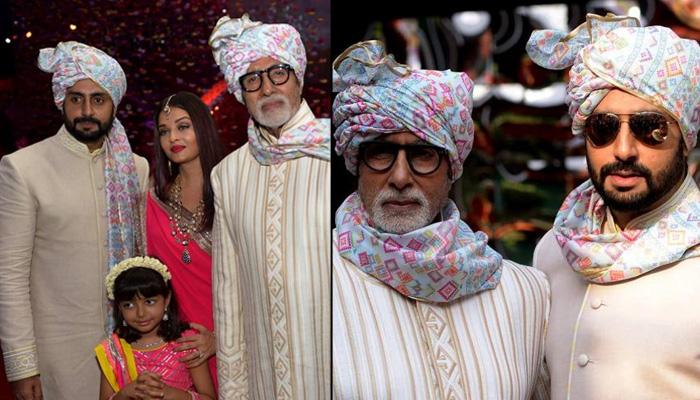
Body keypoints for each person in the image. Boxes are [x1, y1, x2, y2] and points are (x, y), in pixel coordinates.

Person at [332, 40, 550, 399]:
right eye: (381, 152)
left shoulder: (526, 293)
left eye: (422, 154)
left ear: (452, 168)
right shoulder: (315, 283)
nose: (400, 177)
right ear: (356, 162)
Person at [527, 13, 700, 398]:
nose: (623, 150)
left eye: (650, 128)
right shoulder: (554, 251)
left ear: (685, 138)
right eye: (603, 128)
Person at [0, 41, 149, 399]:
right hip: (57, 355)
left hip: (130, 348)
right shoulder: (24, 168)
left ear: (114, 104)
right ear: (61, 102)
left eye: (98, 99)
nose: (86, 110)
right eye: (75, 98)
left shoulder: (136, 169)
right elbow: (9, 275)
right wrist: (23, 365)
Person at [208, 14, 330, 398]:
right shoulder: (227, 175)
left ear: (299, 78)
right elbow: (229, 297)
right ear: (240, 92)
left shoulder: (340, 151)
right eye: (252, 79)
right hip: (266, 382)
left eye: (278, 72)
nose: (267, 88)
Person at [146, 92, 225, 391]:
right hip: (178, 347)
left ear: (202, 127)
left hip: (234, 339)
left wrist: (221, 339)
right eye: (164, 131)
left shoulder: (232, 190)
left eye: (183, 126)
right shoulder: (154, 199)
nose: (173, 138)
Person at [95, 256, 215, 400]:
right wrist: (125, 393)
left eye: (149, 302)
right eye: (129, 305)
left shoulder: (186, 342)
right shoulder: (114, 350)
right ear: (119, 308)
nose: (141, 313)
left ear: (167, 300)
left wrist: (169, 393)